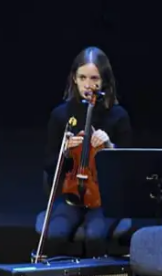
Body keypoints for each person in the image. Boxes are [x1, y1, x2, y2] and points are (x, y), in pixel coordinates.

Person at [42, 46, 132, 257]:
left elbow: (128, 167)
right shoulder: (61, 115)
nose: (88, 85)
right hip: (71, 196)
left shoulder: (118, 117)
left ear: (104, 81)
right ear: (74, 78)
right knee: (55, 235)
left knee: (94, 236)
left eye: (94, 78)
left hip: (105, 198)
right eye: (82, 78)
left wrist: (110, 147)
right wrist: (65, 152)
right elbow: (48, 165)